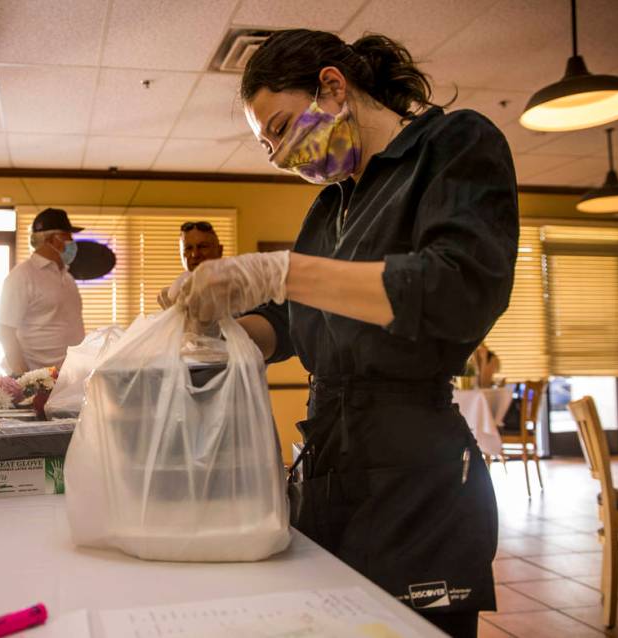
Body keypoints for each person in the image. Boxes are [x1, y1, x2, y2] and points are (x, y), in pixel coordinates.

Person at [176, 30, 517, 638]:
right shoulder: (331, 206)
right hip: (333, 466)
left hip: (416, 473)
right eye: (266, 145)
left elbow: (456, 288)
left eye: (280, 129)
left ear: (333, 87)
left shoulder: (454, 145)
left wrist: (283, 270)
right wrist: (217, 330)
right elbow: (291, 325)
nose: (277, 156)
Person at [0, 208, 85, 375]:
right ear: (53, 239)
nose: (73, 243)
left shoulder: (67, 278)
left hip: (70, 378)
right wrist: (25, 380)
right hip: (37, 380)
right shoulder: (22, 276)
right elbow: (5, 332)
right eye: (68, 237)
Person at [158, 221, 225, 309]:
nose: (195, 254)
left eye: (203, 246)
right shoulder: (178, 286)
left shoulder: (236, 289)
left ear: (219, 251)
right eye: (188, 248)